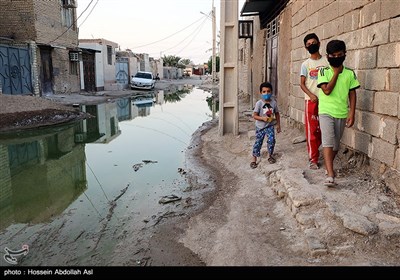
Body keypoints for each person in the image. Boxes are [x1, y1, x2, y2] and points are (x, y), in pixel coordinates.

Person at [317, 39, 360, 187]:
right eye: (333, 55)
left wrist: (352, 113)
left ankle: (328, 166)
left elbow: (352, 93)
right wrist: (335, 73)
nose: (336, 58)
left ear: (344, 54)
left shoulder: (350, 73)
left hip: (341, 113)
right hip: (325, 111)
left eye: (339, 55)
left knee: (335, 145)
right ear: (328, 56)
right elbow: (327, 90)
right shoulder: (323, 71)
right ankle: (330, 174)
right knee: (328, 142)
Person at [300, 33, 329, 170]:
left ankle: (326, 155)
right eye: (308, 44)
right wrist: (311, 95)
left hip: (326, 101)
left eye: (314, 42)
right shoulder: (306, 64)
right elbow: (302, 84)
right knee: (311, 131)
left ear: (319, 43)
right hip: (311, 102)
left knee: (324, 129)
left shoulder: (327, 62)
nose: (312, 45)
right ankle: (314, 159)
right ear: (306, 47)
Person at [250, 82, 281, 168]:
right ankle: (254, 159)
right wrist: (262, 118)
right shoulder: (259, 103)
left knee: (271, 141)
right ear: (261, 92)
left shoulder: (273, 103)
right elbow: (254, 115)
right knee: (258, 142)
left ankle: (270, 155)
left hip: (270, 125)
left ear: (271, 92)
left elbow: (277, 114)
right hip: (260, 127)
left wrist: (278, 125)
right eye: (264, 91)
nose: (266, 93)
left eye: (268, 91)